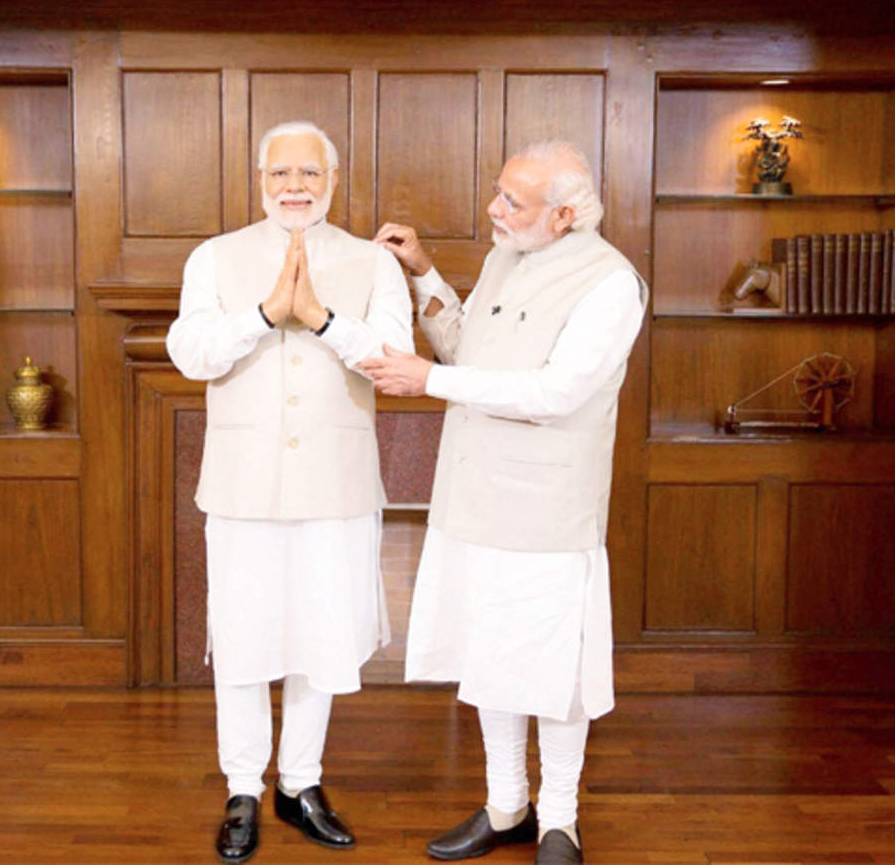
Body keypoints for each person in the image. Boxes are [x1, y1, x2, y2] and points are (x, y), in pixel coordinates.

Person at [361, 140, 647, 865]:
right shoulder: (502, 258)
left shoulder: (611, 284)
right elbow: (468, 355)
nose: (494, 208)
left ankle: (560, 821)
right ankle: (506, 806)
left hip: (548, 508)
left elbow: (554, 395)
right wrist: (424, 273)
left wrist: (427, 380)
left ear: (562, 215)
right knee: (491, 658)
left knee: (552, 669)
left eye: (511, 201)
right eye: (498, 192)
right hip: (472, 499)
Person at [167, 121, 413, 863]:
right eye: (281, 174)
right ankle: (243, 785)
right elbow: (189, 353)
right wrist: (265, 316)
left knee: (323, 635)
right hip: (242, 484)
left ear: (334, 181)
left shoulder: (372, 263)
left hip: (336, 484)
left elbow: (395, 359)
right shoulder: (214, 257)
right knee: (241, 638)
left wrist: (322, 320)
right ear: (260, 180)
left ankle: (300, 782)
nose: (295, 187)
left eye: (310, 173)